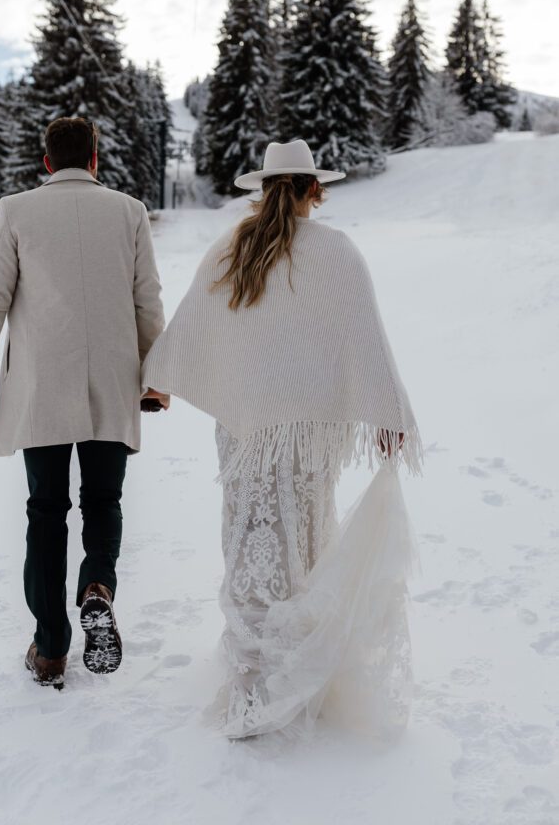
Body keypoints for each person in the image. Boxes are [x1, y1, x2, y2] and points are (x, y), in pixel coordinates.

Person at [141, 138, 423, 741]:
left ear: (267, 188)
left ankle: (253, 673)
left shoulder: (231, 249)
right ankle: (293, 666)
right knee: (302, 534)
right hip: (306, 433)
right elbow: (366, 339)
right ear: (313, 189)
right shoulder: (338, 252)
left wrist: (158, 378)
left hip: (247, 429)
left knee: (248, 536)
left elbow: (191, 325)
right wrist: (390, 411)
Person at [0, 117, 165, 689]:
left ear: (46, 162)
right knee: (103, 500)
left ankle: (50, 650)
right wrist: (156, 377)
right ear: (95, 158)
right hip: (113, 381)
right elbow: (147, 300)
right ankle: (97, 585)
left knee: (46, 511)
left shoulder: (17, 210)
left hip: (43, 386)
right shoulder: (129, 211)